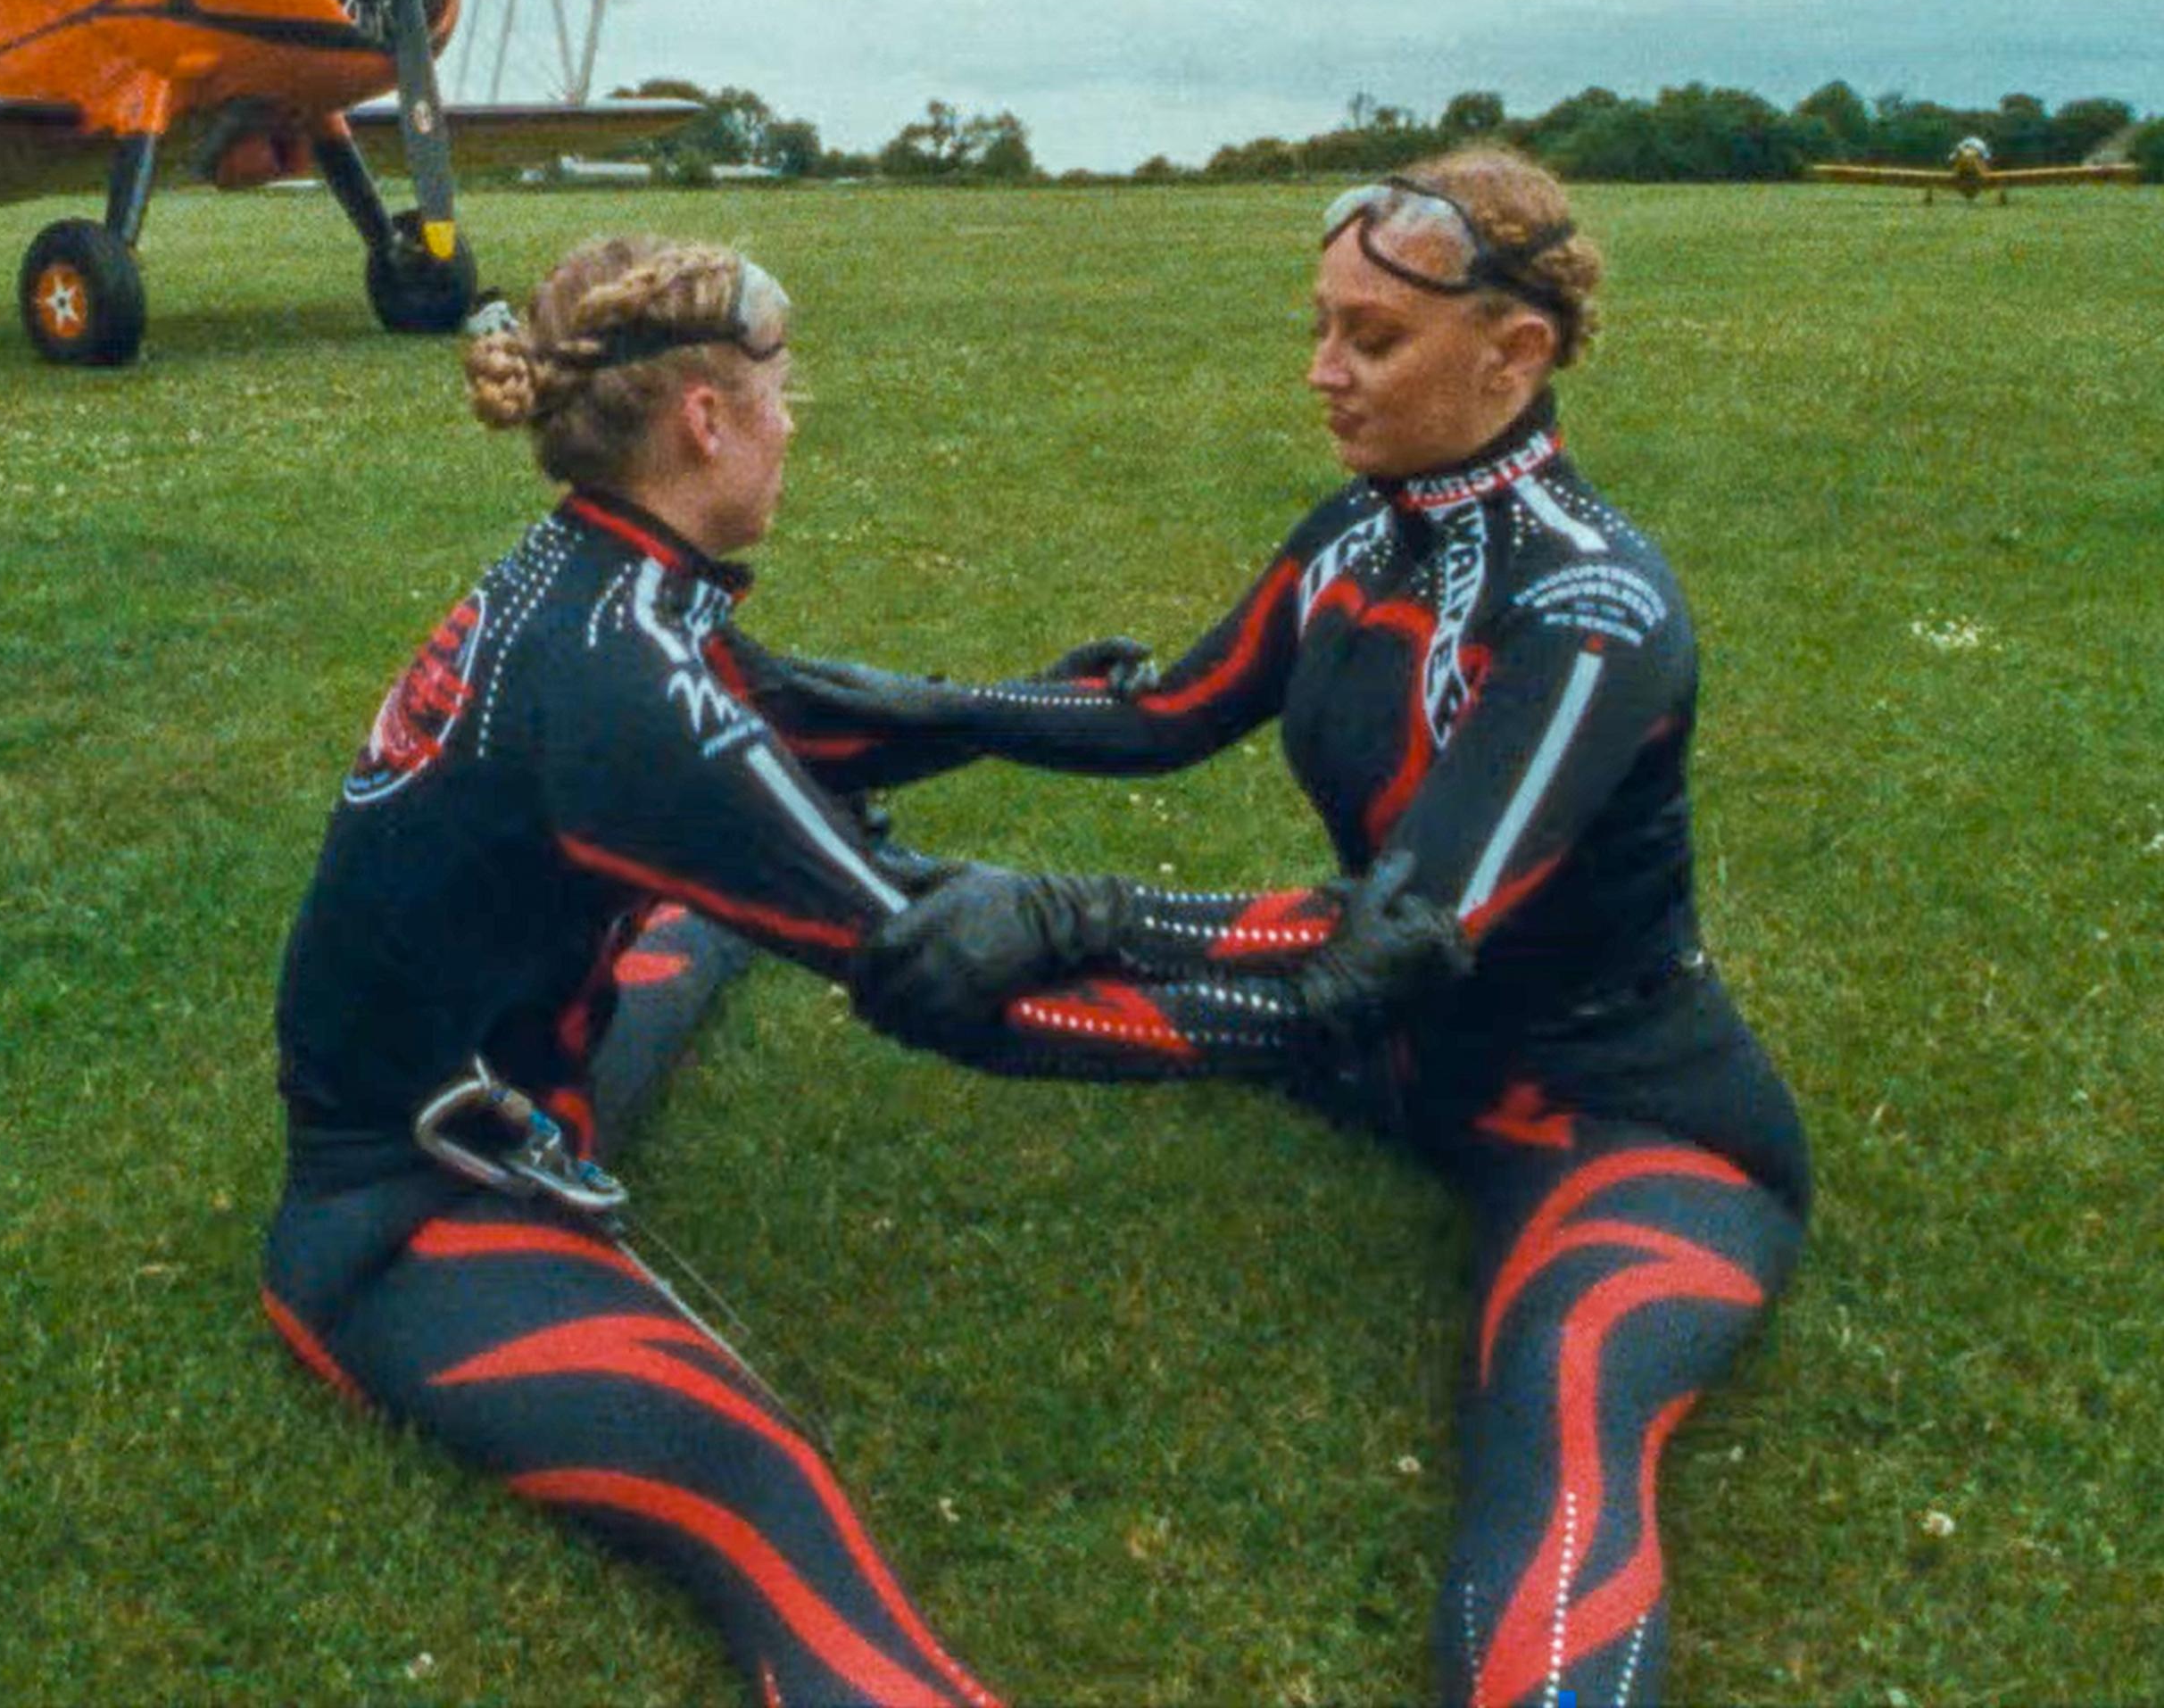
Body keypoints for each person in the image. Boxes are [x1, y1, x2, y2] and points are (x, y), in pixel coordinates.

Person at [262, 235, 1471, 1705]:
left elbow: (788, 711)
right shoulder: (621, 682)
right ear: (706, 417)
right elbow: (945, 982)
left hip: (495, 1078)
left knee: (741, 897)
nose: (797, 416)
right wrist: (1297, 1009)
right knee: (759, 1490)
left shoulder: (591, 579)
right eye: (782, 390)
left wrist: (1026, 707)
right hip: (405, 1214)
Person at [766, 150, 1808, 1708]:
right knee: (941, 946)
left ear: (1515, 351)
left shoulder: (1597, 610)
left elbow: (1402, 931)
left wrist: (1083, 911)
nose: (1323, 373)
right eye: (1322, 326)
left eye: (1372, 342)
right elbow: (1167, 712)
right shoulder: (1357, 531)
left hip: (1619, 1116)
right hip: (1396, 1054)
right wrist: (912, 710)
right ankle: (712, 916)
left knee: (1560, 1415)